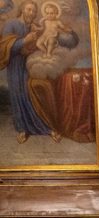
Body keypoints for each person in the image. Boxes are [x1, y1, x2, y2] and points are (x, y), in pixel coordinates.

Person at [0, 1, 63, 144]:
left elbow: (38, 43)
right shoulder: (11, 24)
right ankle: (22, 129)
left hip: (30, 64)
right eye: (29, 10)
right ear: (22, 10)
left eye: (34, 11)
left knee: (32, 95)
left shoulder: (33, 27)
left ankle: (45, 128)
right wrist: (24, 41)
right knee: (19, 96)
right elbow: (4, 47)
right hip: (15, 65)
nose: (32, 13)